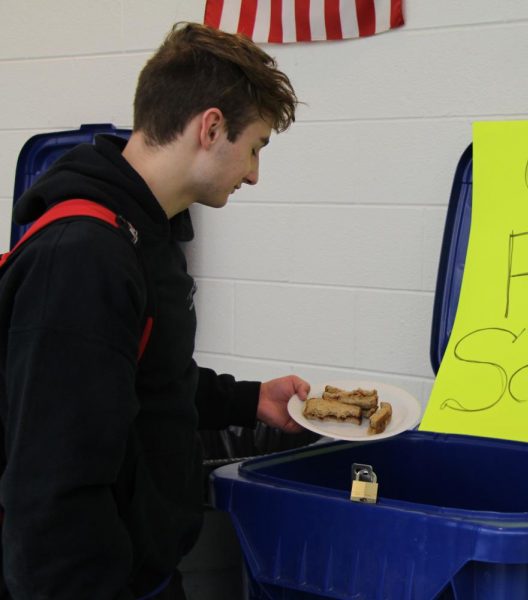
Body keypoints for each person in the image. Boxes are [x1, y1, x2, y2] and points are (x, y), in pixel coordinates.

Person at [0, 22, 310, 599]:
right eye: (255, 147)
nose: (253, 174)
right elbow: (49, 491)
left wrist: (250, 400)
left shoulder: (147, 234)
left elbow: (144, 383)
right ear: (211, 127)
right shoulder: (83, 258)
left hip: (147, 571)